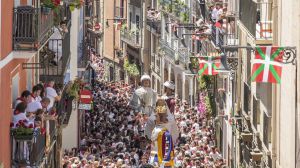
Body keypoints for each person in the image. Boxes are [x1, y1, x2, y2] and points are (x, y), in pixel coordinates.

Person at [149, 98, 175, 167]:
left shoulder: (165, 133)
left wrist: (164, 164)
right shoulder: (155, 129)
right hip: (152, 159)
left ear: (161, 118)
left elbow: (168, 150)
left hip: (160, 162)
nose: (154, 118)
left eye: (156, 116)